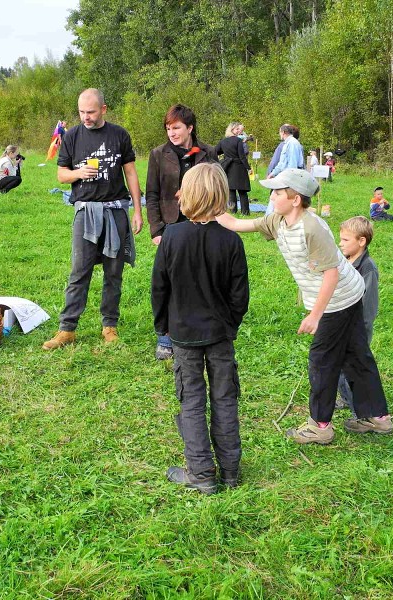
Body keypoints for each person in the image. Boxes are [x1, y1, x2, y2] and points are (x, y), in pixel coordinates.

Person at [217, 168, 393, 444]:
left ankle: (320, 426)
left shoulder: (312, 228)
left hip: (339, 299)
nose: (272, 196)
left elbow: (332, 274)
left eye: (277, 192)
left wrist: (315, 315)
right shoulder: (277, 219)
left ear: (296, 199)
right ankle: (378, 418)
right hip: (341, 296)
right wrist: (209, 206)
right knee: (356, 355)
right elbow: (239, 224)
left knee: (322, 361)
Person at [151, 163, 249, 494]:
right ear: (221, 195)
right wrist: (230, 325)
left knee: (191, 399)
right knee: (224, 397)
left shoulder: (171, 238)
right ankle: (229, 471)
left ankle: (202, 473)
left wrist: (163, 326)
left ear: (186, 196)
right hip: (218, 335)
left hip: (184, 335)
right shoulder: (231, 241)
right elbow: (240, 297)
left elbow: (158, 290)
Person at [42, 88, 144, 350]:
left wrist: (137, 210)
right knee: (79, 270)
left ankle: (109, 325)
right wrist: (78, 173)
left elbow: (131, 173)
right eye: (81, 112)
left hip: (115, 211)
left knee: (114, 272)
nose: (85, 117)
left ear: (104, 109)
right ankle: (67, 329)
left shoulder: (119, 134)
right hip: (85, 212)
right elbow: (61, 175)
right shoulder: (73, 136)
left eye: (91, 112)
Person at [146, 104, 217, 360]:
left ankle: (203, 329)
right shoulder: (158, 154)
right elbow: (151, 195)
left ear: (189, 127)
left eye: (176, 128)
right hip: (171, 227)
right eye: (168, 128)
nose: (171, 133)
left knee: (203, 277)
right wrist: (156, 230)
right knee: (169, 281)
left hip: (205, 223)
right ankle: (165, 336)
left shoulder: (208, 152)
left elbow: (220, 187)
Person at [336, 217, 380, 413]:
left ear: (361, 241)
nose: (340, 243)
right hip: (341, 325)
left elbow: (368, 306)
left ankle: (363, 413)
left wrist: (358, 332)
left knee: (352, 371)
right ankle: (347, 399)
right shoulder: (345, 261)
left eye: (345, 240)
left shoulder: (367, 268)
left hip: (357, 329)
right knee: (337, 367)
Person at [215, 122, 252, 215]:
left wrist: (225, 156)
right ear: (232, 130)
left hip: (228, 167)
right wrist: (248, 168)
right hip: (239, 167)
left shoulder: (223, 141)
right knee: (242, 191)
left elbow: (215, 151)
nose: (239, 131)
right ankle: (245, 212)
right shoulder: (238, 141)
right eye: (237, 129)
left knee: (231, 190)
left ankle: (233, 211)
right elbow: (242, 156)